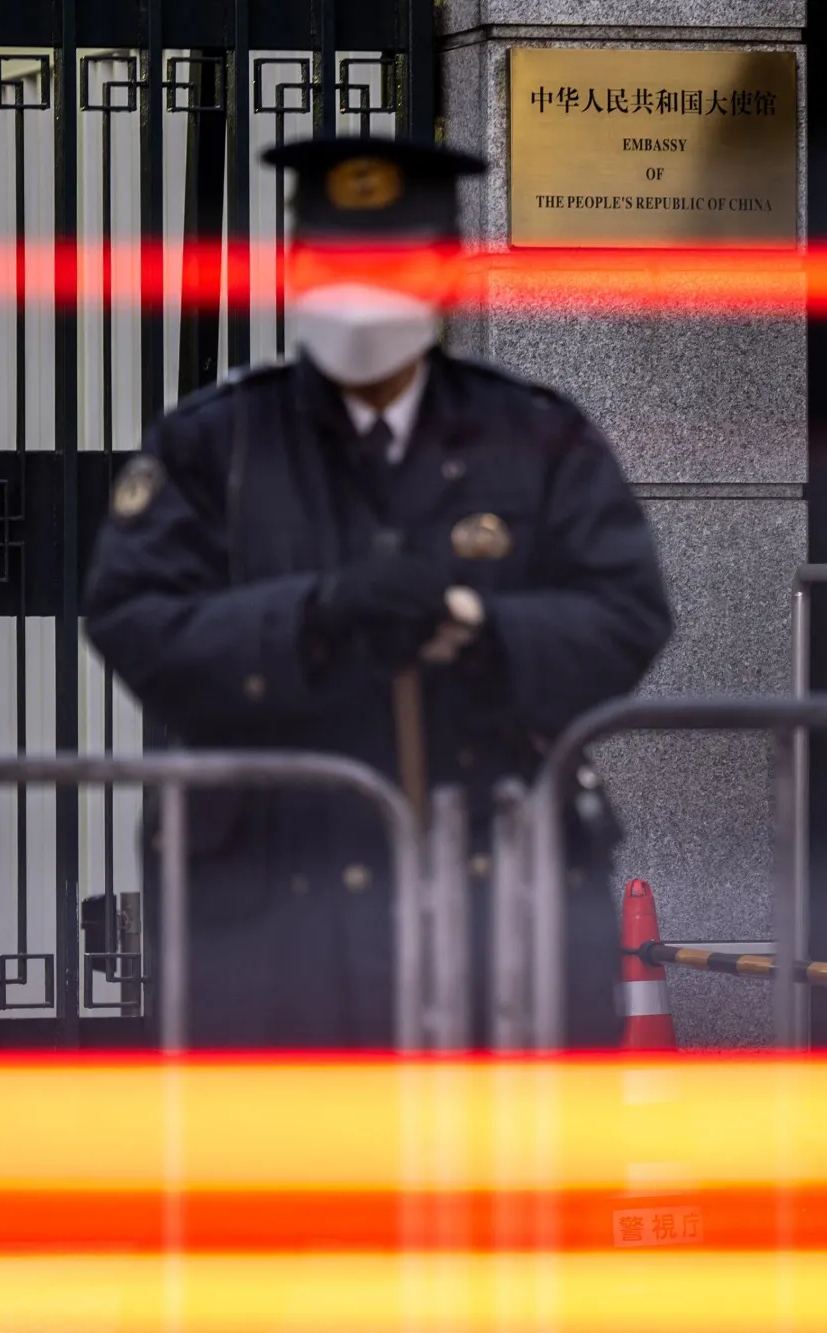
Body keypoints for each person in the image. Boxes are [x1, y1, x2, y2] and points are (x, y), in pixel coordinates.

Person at [83, 133, 672, 1049]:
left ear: (443, 274)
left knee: (503, 1182)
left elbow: (626, 612)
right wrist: (307, 619)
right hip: (273, 903)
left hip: (496, 890)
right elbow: (134, 617)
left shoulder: (534, 437)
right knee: (295, 1180)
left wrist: (481, 628)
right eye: (332, 261)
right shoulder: (217, 445)